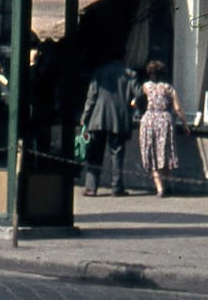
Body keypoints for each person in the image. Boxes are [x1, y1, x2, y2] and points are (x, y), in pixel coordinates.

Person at [79, 54, 138, 196]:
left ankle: (91, 187)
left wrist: (85, 117)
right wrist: (134, 109)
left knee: (95, 153)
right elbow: (138, 94)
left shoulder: (99, 71)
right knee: (117, 153)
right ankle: (117, 187)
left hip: (98, 117)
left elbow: (91, 96)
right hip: (119, 117)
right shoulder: (131, 73)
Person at [135, 58, 185, 197]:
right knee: (166, 153)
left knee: (152, 154)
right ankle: (167, 184)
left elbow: (135, 101)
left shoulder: (146, 87)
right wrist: (185, 125)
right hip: (164, 121)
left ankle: (159, 188)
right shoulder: (169, 89)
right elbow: (178, 108)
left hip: (149, 121)